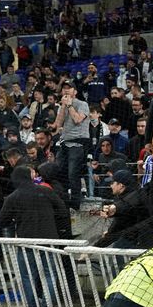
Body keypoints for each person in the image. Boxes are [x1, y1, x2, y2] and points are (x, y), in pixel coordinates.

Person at [0, 166, 71, 307]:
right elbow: (63, 210)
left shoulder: (13, 197)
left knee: (27, 278)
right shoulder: (46, 191)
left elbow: (1, 221)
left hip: (26, 243)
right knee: (50, 276)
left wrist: (15, 219)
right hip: (49, 241)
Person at [54, 79, 90, 209]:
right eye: (64, 88)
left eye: (69, 88)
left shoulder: (82, 104)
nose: (66, 90)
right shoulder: (62, 106)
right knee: (59, 172)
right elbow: (58, 124)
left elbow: (77, 119)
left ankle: (76, 203)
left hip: (77, 144)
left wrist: (69, 106)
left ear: (75, 91)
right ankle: (62, 201)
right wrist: (63, 107)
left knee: (73, 173)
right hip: (64, 143)